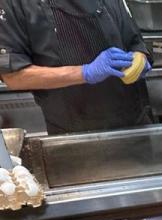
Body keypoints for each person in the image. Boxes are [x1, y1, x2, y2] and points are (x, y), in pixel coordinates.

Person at [0, 0, 153, 135]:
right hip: (73, 130)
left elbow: (135, 42)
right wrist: (85, 72)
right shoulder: (15, 4)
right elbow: (14, 76)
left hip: (136, 123)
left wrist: (140, 59)